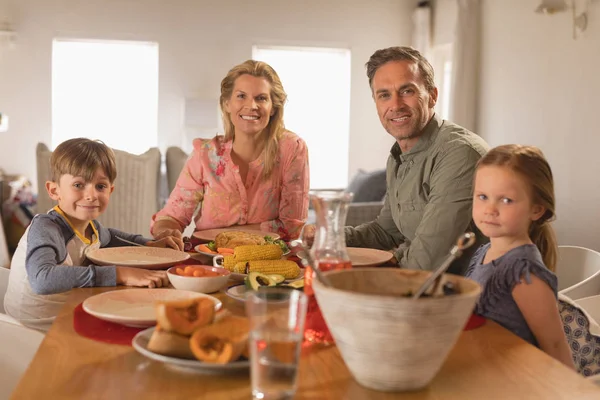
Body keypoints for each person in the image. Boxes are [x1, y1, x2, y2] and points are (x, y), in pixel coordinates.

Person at [304, 46, 489, 274]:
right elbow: (386, 231)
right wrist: (326, 237)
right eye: (384, 95)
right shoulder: (398, 155)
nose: (395, 105)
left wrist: (386, 263)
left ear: (432, 96)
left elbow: (427, 261)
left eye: (407, 91)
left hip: (455, 295)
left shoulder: (459, 153)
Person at [3, 138, 176, 332]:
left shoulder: (91, 228)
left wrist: (150, 245)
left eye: (100, 186)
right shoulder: (46, 227)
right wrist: (119, 274)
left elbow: (111, 237)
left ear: (110, 190)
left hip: (64, 315)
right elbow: (42, 279)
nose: (91, 195)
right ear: (54, 190)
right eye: (78, 185)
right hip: (31, 331)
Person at [151, 60, 310, 248]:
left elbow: (291, 227)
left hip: (269, 261)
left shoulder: (292, 149)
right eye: (241, 96)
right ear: (227, 104)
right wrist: (166, 232)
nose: (251, 105)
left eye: (261, 98)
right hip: (207, 260)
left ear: (273, 107)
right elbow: (171, 217)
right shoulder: (205, 155)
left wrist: (222, 235)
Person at [465, 144, 573, 369]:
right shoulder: (484, 252)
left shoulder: (523, 270)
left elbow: (555, 346)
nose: (490, 209)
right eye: (483, 196)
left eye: (506, 200)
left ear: (536, 209)